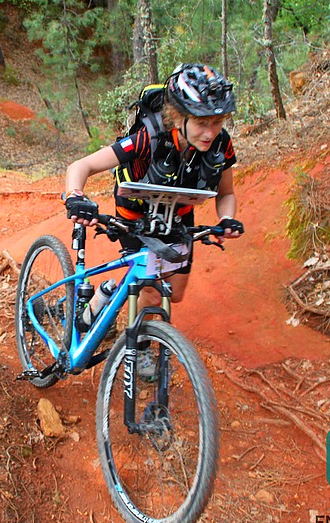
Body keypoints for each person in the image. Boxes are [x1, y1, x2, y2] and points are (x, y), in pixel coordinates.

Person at [64, 63, 245, 378]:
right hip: (134, 215)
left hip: (178, 218)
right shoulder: (147, 139)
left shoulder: (219, 143)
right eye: (202, 122)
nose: (210, 132)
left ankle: (105, 295)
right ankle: (142, 348)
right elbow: (82, 165)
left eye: (217, 122)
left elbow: (226, 192)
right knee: (150, 285)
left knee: (173, 292)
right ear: (178, 116)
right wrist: (75, 195)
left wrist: (227, 219)